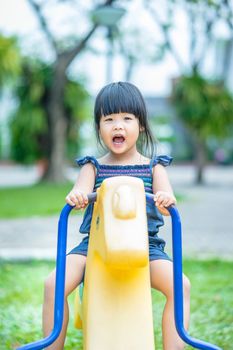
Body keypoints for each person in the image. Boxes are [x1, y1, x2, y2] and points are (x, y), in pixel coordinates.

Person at [43, 82, 190, 350]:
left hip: (146, 247)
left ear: (141, 125)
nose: (118, 126)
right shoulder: (93, 166)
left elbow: (168, 204)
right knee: (54, 284)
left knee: (181, 286)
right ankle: (51, 345)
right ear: (99, 127)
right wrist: (77, 196)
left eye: (126, 118)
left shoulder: (154, 167)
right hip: (94, 248)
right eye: (108, 119)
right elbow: (80, 191)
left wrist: (166, 200)